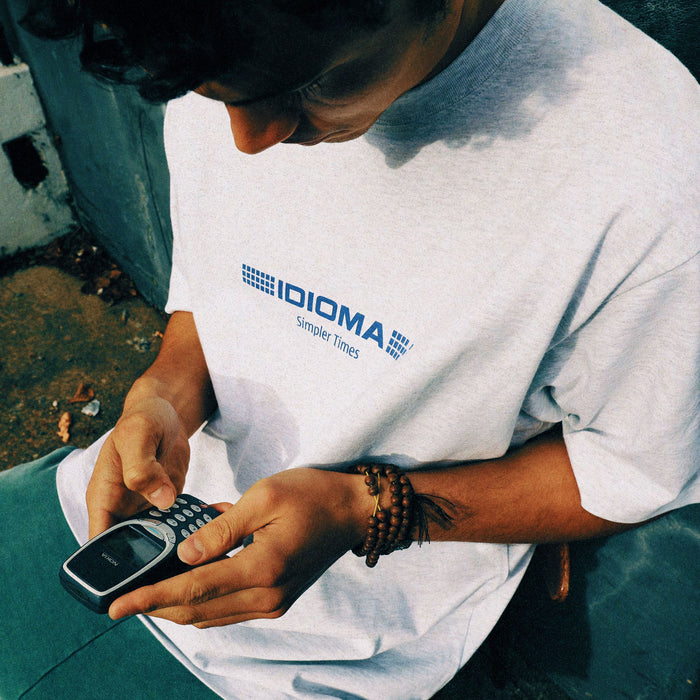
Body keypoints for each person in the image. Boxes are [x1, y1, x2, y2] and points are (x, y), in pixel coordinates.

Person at [2, 0, 698, 697]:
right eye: (213, 97)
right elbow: (220, 291)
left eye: (309, 85)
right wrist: (164, 394)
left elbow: (628, 475)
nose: (248, 140)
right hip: (96, 514)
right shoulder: (210, 38)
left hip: (320, 654)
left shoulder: (651, 170)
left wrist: (362, 510)